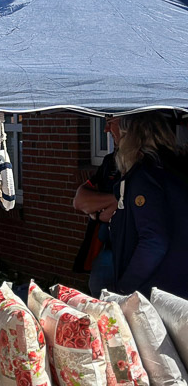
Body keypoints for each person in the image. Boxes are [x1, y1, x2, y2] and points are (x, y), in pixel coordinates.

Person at [109, 112, 188, 298]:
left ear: (132, 137)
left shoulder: (145, 176)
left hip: (158, 289)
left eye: (122, 134)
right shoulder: (174, 167)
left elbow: (154, 241)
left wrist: (125, 287)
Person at [73, 116, 122, 294]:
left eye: (111, 122)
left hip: (134, 256)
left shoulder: (148, 165)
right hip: (107, 251)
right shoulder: (110, 162)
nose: (105, 130)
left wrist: (101, 205)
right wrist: (115, 201)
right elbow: (79, 200)